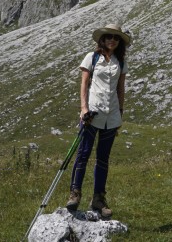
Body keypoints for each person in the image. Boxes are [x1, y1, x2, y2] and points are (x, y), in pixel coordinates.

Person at [66, 23, 131, 218]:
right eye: (109, 36)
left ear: (119, 42)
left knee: (103, 158)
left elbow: (121, 89)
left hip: (111, 115)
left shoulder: (120, 61)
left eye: (116, 37)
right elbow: (84, 84)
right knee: (83, 153)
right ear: (102, 39)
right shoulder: (92, 57)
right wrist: (83, 108)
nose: (112, 39)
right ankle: (75, 194)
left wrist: (120, 113)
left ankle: (99, 200)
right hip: (92, 113)